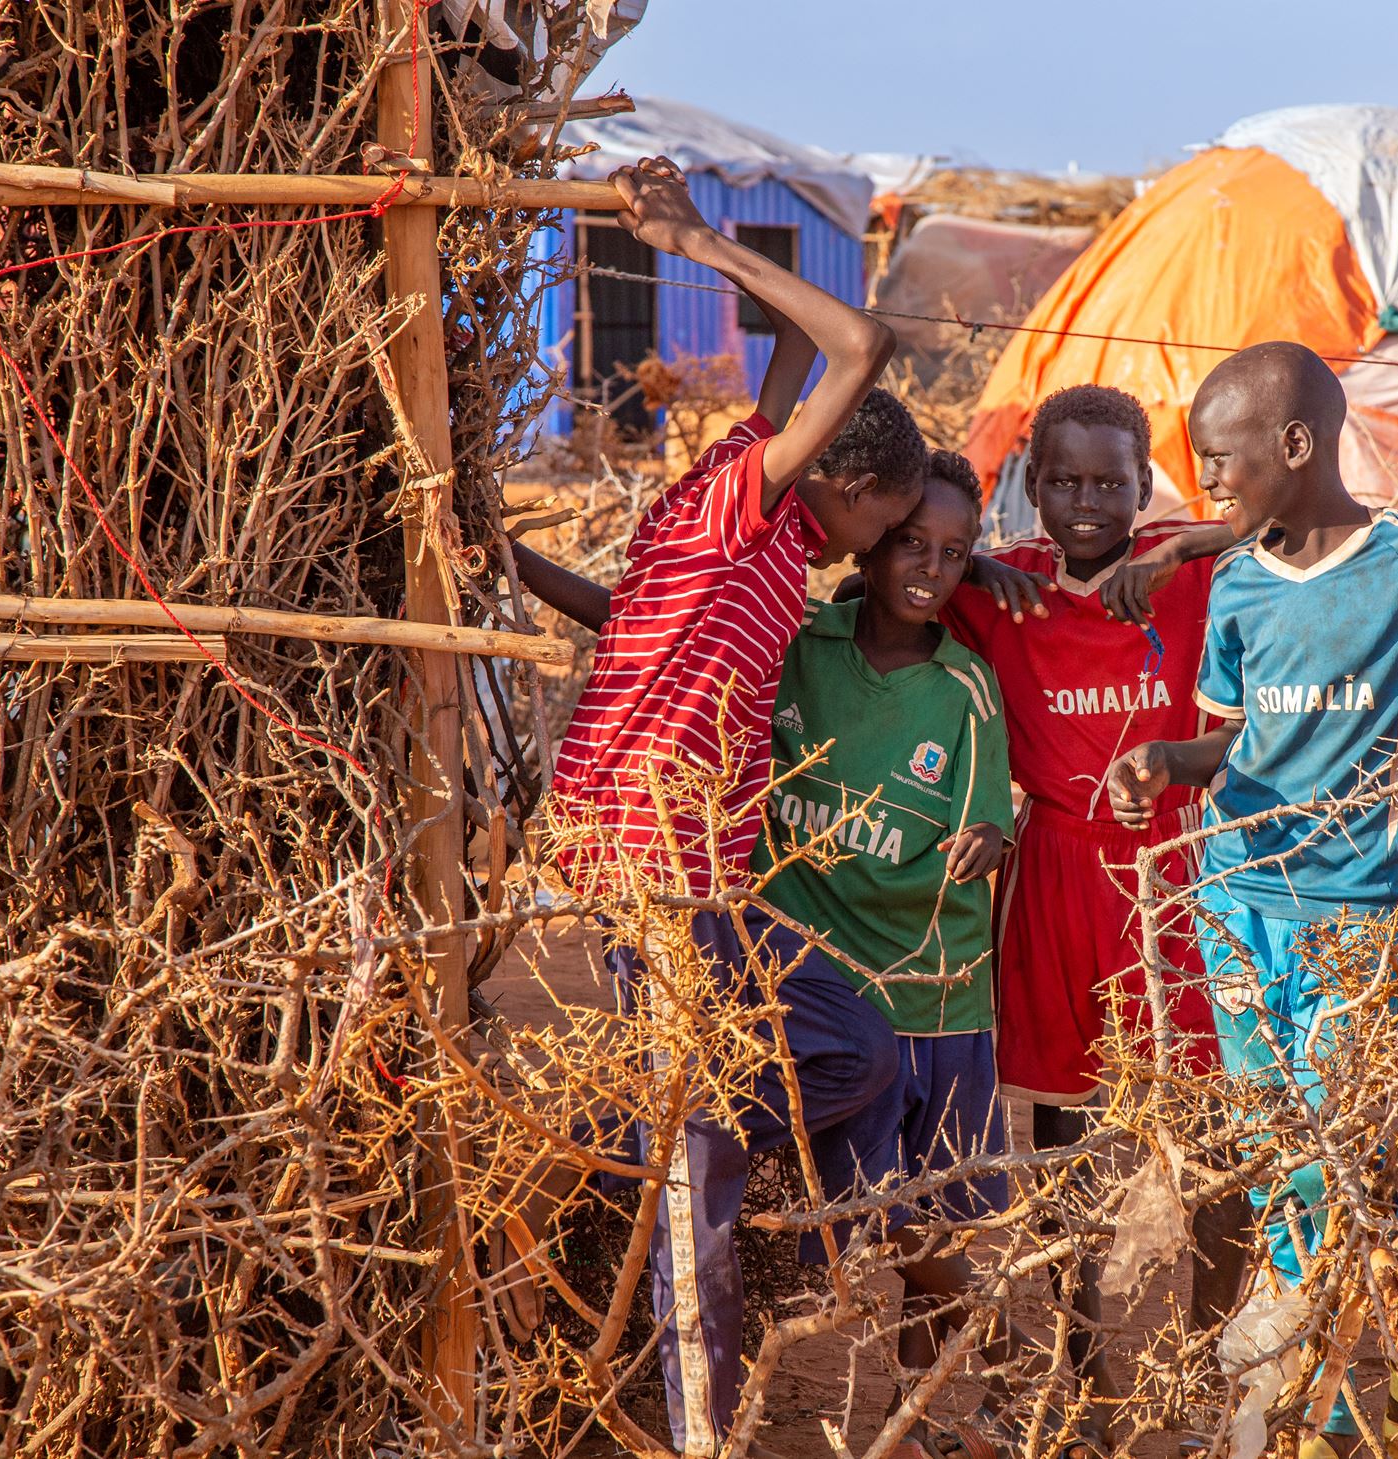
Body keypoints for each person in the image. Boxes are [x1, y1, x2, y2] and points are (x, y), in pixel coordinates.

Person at [511, 154, 925, 1457]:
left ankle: (619, 1142)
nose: (884, 550)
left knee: (857, 1051)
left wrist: (510, 558)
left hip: (696, 869)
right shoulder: (738, 506)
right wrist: (696, 237)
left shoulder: (756, 530)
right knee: (704, 1157)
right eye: (891, 520)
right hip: (656, 856)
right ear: (841, 488)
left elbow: (633, 619)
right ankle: (701, 1420)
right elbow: (856, 340)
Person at [1103, 342, 1398, 1454]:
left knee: (1337, 1154)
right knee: (1267, 1142)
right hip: (1236, 902)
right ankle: (1306, 1394)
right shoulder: (1234, 582)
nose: (1210, 484)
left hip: (1358, 911)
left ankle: (1335, 1400)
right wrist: (1163, 760)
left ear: (1295, 445)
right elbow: (1227, 742)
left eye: (1221, 460)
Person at [939, 385, 1248, 1445]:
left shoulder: (1181, 566)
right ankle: (1086, 1354)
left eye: (1108, 481)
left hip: (1172, 869)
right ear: (1029, 482)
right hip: (1054, 867)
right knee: (1062, 1137)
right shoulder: (1004, 584)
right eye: (1062, 479)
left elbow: (1288, 510)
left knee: (1208, 1129)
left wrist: (1179, 543)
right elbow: (888, 563)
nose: (1084, 502)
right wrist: (968, 562)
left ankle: (1210, 1362)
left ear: (1141, 480)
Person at [755, 451, 1020, 1453]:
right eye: (913, 542)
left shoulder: (963, 692)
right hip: (817, 989)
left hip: (931, 997)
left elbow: (990, 821)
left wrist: (985, 842)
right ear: (870, 544)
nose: (931, 566)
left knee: (929, 1222)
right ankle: (1005, 1344)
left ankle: (911, 1421)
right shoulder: (800, 646)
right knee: (873, 1210)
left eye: (954, 554)